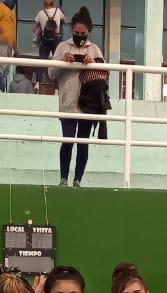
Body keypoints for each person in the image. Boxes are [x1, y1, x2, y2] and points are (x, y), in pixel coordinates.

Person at [47, 8, 104, 188]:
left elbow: (105, 75)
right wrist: (63, 61)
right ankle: (63, 179)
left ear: (89, 32)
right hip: (67, 104)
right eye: (76, 33)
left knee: (83, 144)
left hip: (88, 105)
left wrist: (92, 63)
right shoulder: (62, 47)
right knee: (68, 141)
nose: (80, 36)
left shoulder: (94, 49)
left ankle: (77, 180)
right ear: (71, 30)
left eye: (83, 33)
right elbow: (51, 73)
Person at [33, 0, 65, 81]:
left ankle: (38, 83)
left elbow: (34, 28)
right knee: (57, 63)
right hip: (56, 40)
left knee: (42, 62)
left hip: (45, 40)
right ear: (53, 2)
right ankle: (57, 86)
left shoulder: (40, 13)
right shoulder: (58, 11)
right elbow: (66, 21)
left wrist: (41, 25)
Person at [0, 0, 17, 88]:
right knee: (2, 65)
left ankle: (1, 86)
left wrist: (15, 48)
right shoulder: (0, 6)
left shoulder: (12, 13)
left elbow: (13, 32)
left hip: (9, 45)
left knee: (7, 68)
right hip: (0, 41)